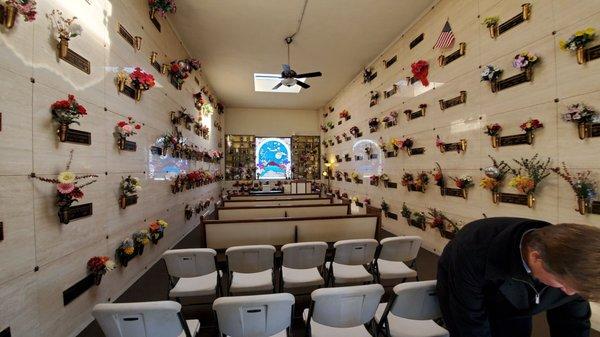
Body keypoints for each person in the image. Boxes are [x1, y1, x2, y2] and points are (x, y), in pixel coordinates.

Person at [437, 217, 600, 337]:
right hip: (467, 286)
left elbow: (573, 324)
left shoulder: (573, 270)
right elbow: (470, 321)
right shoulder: (473, 250)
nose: (570, 292)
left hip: (517, 293)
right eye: (564, 284)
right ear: (536, 257)